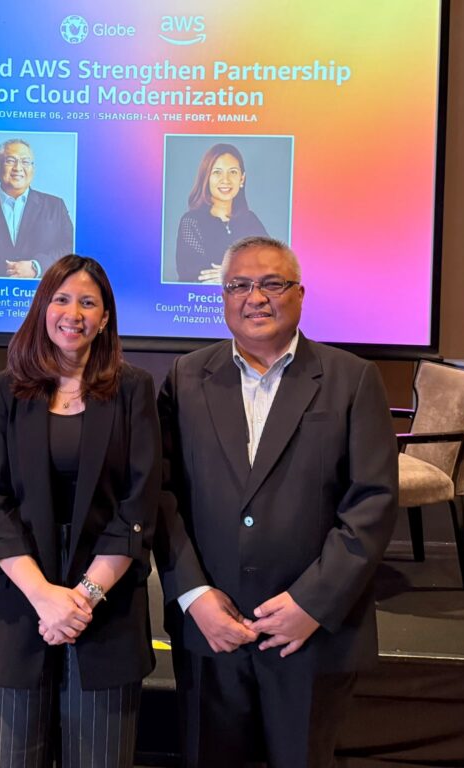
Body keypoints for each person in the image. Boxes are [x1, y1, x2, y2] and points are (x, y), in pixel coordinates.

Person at [155, 236, 398, 767]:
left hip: (308, 634)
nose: (255, 297)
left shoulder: (352, 379)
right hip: (211, 630)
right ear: (223, 297)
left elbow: (372, 503)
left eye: (271, 284)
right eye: (239, 285)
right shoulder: (185, 377)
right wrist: (194, 595)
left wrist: (311, 603)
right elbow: (164, 496)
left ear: (300, 294)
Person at [0, 255, 160, 766]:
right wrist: (44, 598)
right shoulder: (4, 391)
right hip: (19, 599)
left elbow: (138, 506)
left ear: (103, 318)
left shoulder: (134, 390)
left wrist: (82, 599)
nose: (72, 312)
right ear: (42, 307)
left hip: (106, 600)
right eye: (60, 298)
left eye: (87, 302)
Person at [0, 139, 74, 278]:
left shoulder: (55, 205)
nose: (18, 168)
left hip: (42, 294)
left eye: (25, 161)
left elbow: (71, 248)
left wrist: (37, 266)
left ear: (33, 169)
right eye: (10, 160)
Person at [175, 143, 269, 283]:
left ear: (241, 179)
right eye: (217, 172)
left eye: (233, 172)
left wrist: (233, 273)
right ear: (206, 179)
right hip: (204, 303)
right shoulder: (191, 222)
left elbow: (273, 264)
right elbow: (196, 275)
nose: (225, 180)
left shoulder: (251, 220)